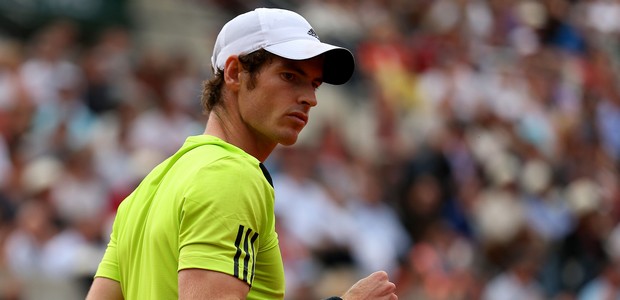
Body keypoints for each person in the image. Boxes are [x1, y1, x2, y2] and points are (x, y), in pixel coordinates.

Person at [86, 7, 398, 300]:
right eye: (290, 76)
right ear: (234, 73)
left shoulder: (147, 189)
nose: (309, 98)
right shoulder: (231, 174)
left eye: (314, 84)